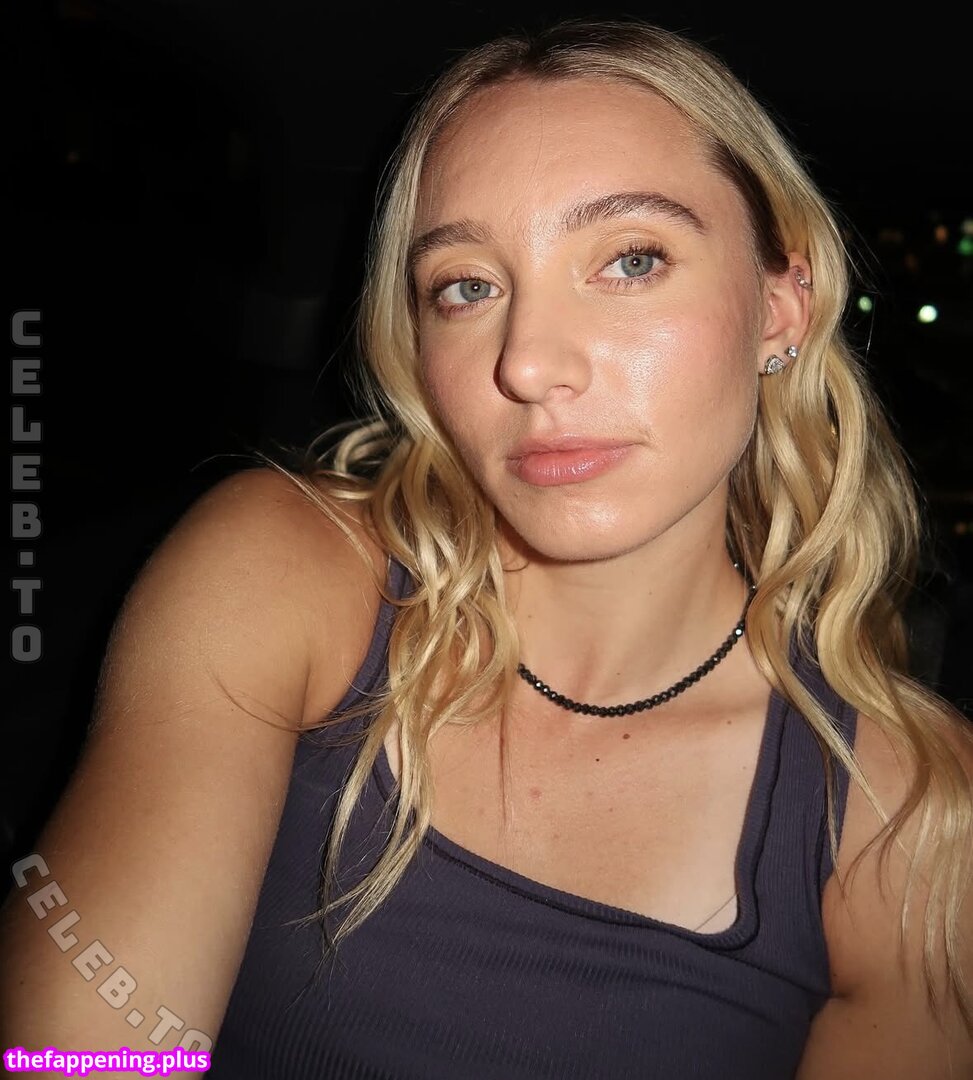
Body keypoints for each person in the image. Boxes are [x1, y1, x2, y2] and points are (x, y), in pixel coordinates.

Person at [3, 17, 973, 1079]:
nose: (528, 363)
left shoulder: (908, 820)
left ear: (781, 307)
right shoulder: (289, 571)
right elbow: (81, 1057)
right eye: (467, 286)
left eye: (631, 260)